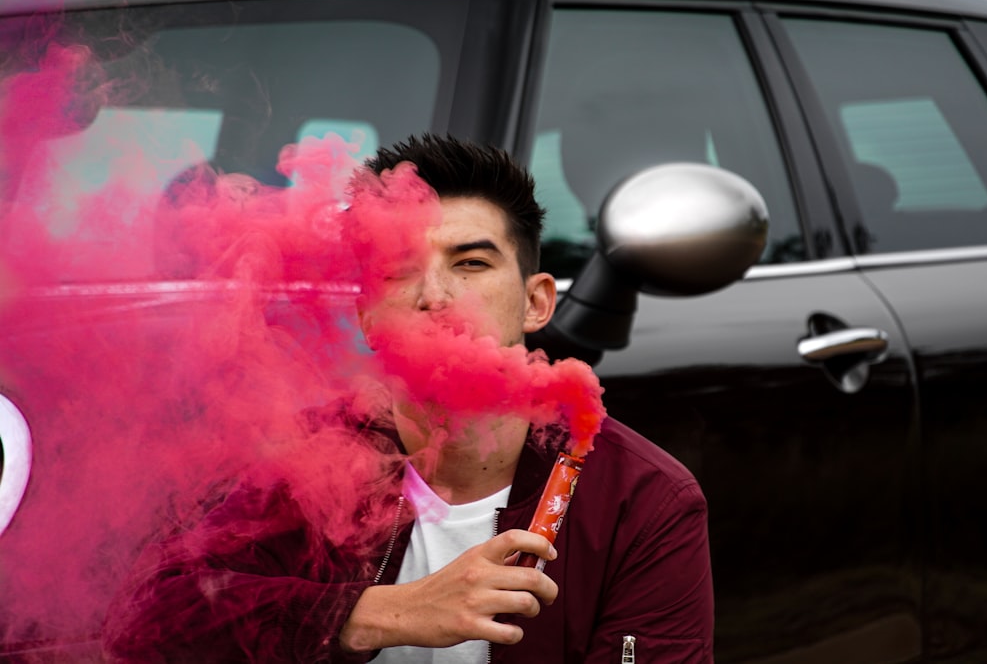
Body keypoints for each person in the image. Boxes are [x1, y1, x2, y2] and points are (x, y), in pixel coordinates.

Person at [103, 133, 713, 663]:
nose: (434, 295)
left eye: (471, 263)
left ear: (536, 303)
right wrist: (377, 614)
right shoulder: (313, 460)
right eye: (399, 270)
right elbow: (144, 623)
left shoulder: (645, 501)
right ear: (367, 315)